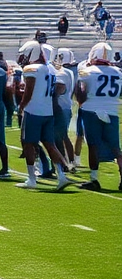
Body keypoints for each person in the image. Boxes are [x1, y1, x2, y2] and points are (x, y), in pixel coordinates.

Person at [14, 40, 72, 190]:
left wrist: (21, 106)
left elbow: (29, 91)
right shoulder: (51, 68)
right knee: (50, 144)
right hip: (48, 111)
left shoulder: (32, 68)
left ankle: (32, 178)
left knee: (28, 144)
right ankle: (62, 175)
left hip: (34, 110)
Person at [76, 42, 122, 191]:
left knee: (93, 145)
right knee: (116, 148)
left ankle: (94, 179)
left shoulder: (87, 72)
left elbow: (81, 95)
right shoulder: (119, 72)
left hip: (92, 111)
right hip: (112, 111)